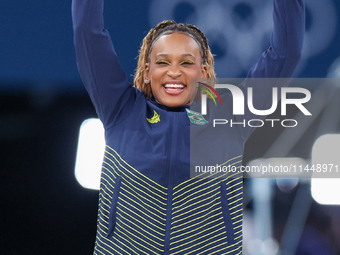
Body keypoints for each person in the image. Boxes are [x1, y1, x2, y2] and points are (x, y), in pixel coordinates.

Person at [72, 0, 305, 254]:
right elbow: (87, 32)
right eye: (163, 62)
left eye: (186, 62)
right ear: (147, 71)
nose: (174, 72)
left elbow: (286, 53)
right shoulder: (120, 109)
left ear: (203, 71)